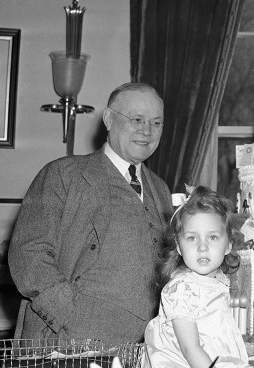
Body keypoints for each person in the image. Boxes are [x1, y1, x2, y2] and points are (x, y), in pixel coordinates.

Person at [9, 82, 174, 345]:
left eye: (156, 123)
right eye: (137, 119)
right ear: (109, 119)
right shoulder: (63, 175)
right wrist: (69, 318)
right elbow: (28, 253)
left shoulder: (161, 189)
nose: (147, 130)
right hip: (66, 347)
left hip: (142, 352)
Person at [144, 187, 254, 368]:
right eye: (192, 238)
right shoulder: (182, 288)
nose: (202, 247)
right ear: (179, 246)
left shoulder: (215, 282)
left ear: (229, 245)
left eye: (213, 237)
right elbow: (190, 349)